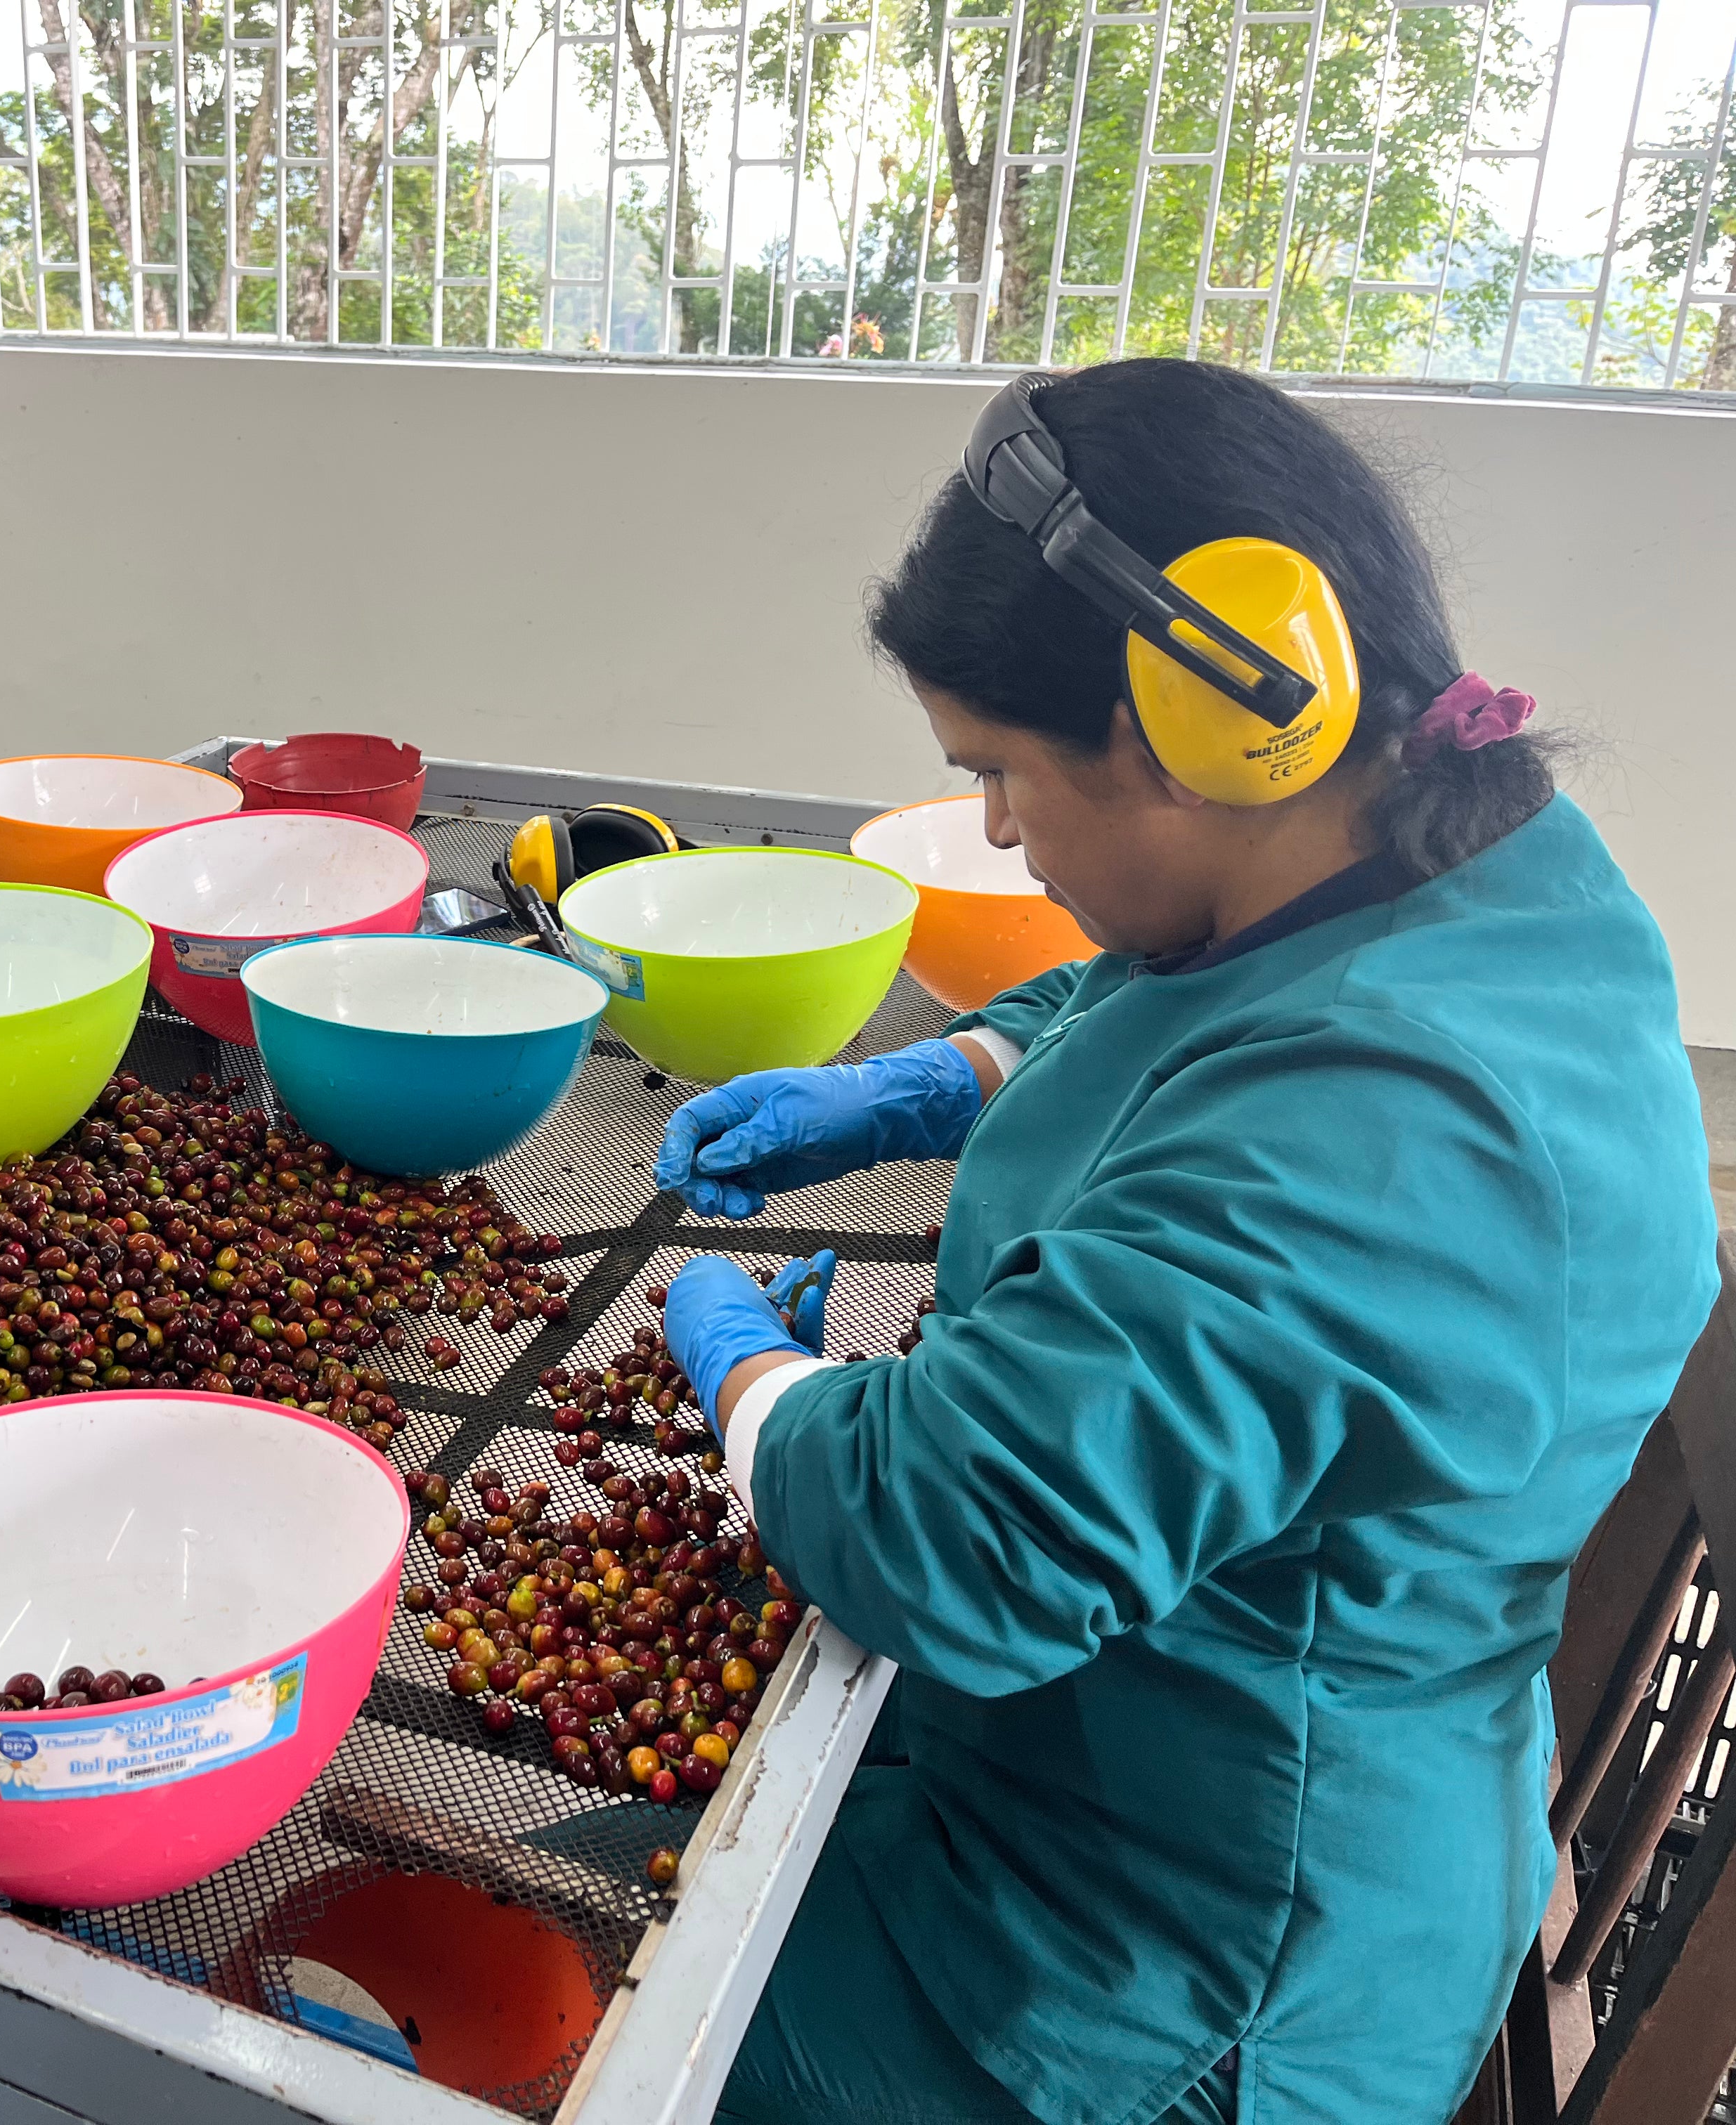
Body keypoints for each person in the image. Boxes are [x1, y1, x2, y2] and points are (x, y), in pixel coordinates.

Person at [650, 359, 1718, 2123]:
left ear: (1197, 735)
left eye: (1001, 771)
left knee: (568, 1982)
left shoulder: (1397, 1133)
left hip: (1184, 1974)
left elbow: (945, 1536)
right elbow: (1207, 985)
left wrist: (745, 1373)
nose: (996, 828)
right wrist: (955, 1071)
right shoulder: (1458, 857)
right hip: (1131, 1761)